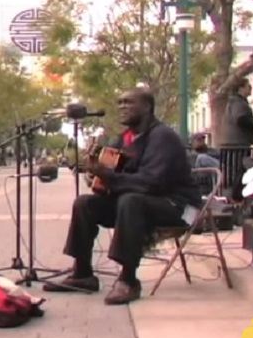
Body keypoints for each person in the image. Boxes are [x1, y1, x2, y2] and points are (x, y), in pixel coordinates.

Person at [43, 88, 201, 305]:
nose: (121, 107)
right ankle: (82, 273)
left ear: (146, 107)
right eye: (119, 103)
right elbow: (116, 177)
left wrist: (107, 176)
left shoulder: (162, 136)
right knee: (85, 203)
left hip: (179, 207)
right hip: (140, 204)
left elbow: (151, 183)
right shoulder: (125, 138)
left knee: (130, 201)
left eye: (128, 102)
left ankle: (128, 279)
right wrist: (97, 179)